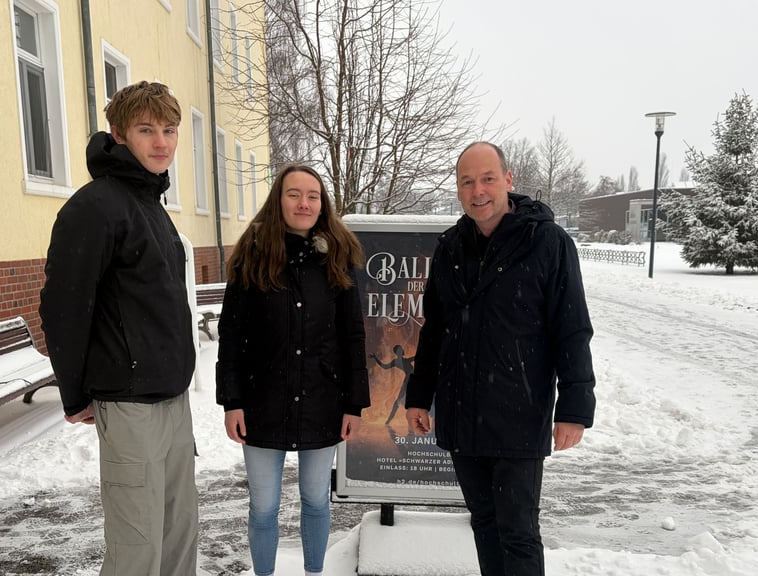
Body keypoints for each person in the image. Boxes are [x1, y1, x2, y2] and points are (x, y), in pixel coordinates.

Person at [405, 142, 596, 576]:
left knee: (518, 532)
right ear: (458, 189)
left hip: (518, 412)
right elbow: (435, 329)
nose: (478, 191)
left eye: (488, 178)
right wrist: (419, 396)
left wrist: (574, 408)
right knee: (485, 525)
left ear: (508, 180)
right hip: (461, 413)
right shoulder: (451, 247)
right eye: (467, 182)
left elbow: (572, 329)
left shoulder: (547, 242)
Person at [39, 81, 198, 576]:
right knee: (137, 547)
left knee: (178, 537)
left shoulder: (150, 204)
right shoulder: (96, 206)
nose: (161, 142)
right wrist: (76, 392)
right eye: (147, 130)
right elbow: (64, 306)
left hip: (172, 397)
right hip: (130, 401)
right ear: (119, 134)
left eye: (169, 130)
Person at [216, 164, 370, 576]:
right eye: (294, 194)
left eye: (313, 195)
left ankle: (314, 572)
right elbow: (230, 335)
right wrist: (231, 401)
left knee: (317, 500)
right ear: (278, 200)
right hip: (261, 401)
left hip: (323, 401)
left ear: (323, 204)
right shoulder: (251, 257)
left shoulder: (338, 258)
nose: (304, 203)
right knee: (263, 506)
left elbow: (353, 337)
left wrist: (355, 404)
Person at [369, 344, 414, 426]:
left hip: (412, 380)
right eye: (400, 350)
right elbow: (384, 366)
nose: (402, 351)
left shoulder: (402, 361)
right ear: (397, 353)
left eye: (401, 349)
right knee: (400, 401)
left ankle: (389, 420)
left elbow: (384, 366)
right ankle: (389, 420)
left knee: (402, 400)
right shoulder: (399, 361)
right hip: (410, 381)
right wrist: (375, 358)